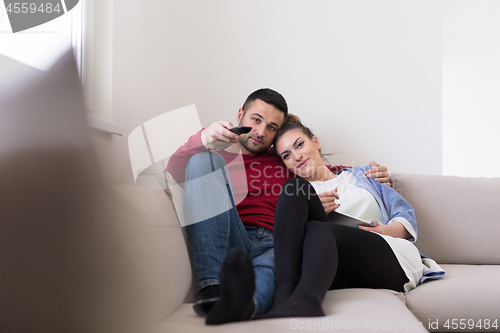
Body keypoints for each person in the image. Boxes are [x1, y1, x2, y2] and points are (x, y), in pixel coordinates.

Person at [165, 89, 392, 324]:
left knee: (272, 269)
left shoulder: (287, 157)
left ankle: (245, 306)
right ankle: (211, 288)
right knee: (203, 158)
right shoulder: (219, 157)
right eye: (256, 120)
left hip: (278, 241)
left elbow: (332, 173)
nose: (261, 132)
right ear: (241, 114)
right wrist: (204, 140)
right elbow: (173, 173)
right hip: (232, 233)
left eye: (272, 127)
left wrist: (372, 174)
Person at [257, 114, 445, 319]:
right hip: (337, 266)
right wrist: (313, 212)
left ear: (315, 142)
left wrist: (385, 229)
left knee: (318, 228)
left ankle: (305, 301)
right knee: (297, 194)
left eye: (299, 145)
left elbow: (404, 214)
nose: (297, 156)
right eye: (286, 155)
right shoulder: (299, 197)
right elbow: (293, 244)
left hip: (388, 256)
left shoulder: (364, 175)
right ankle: (285, 294)